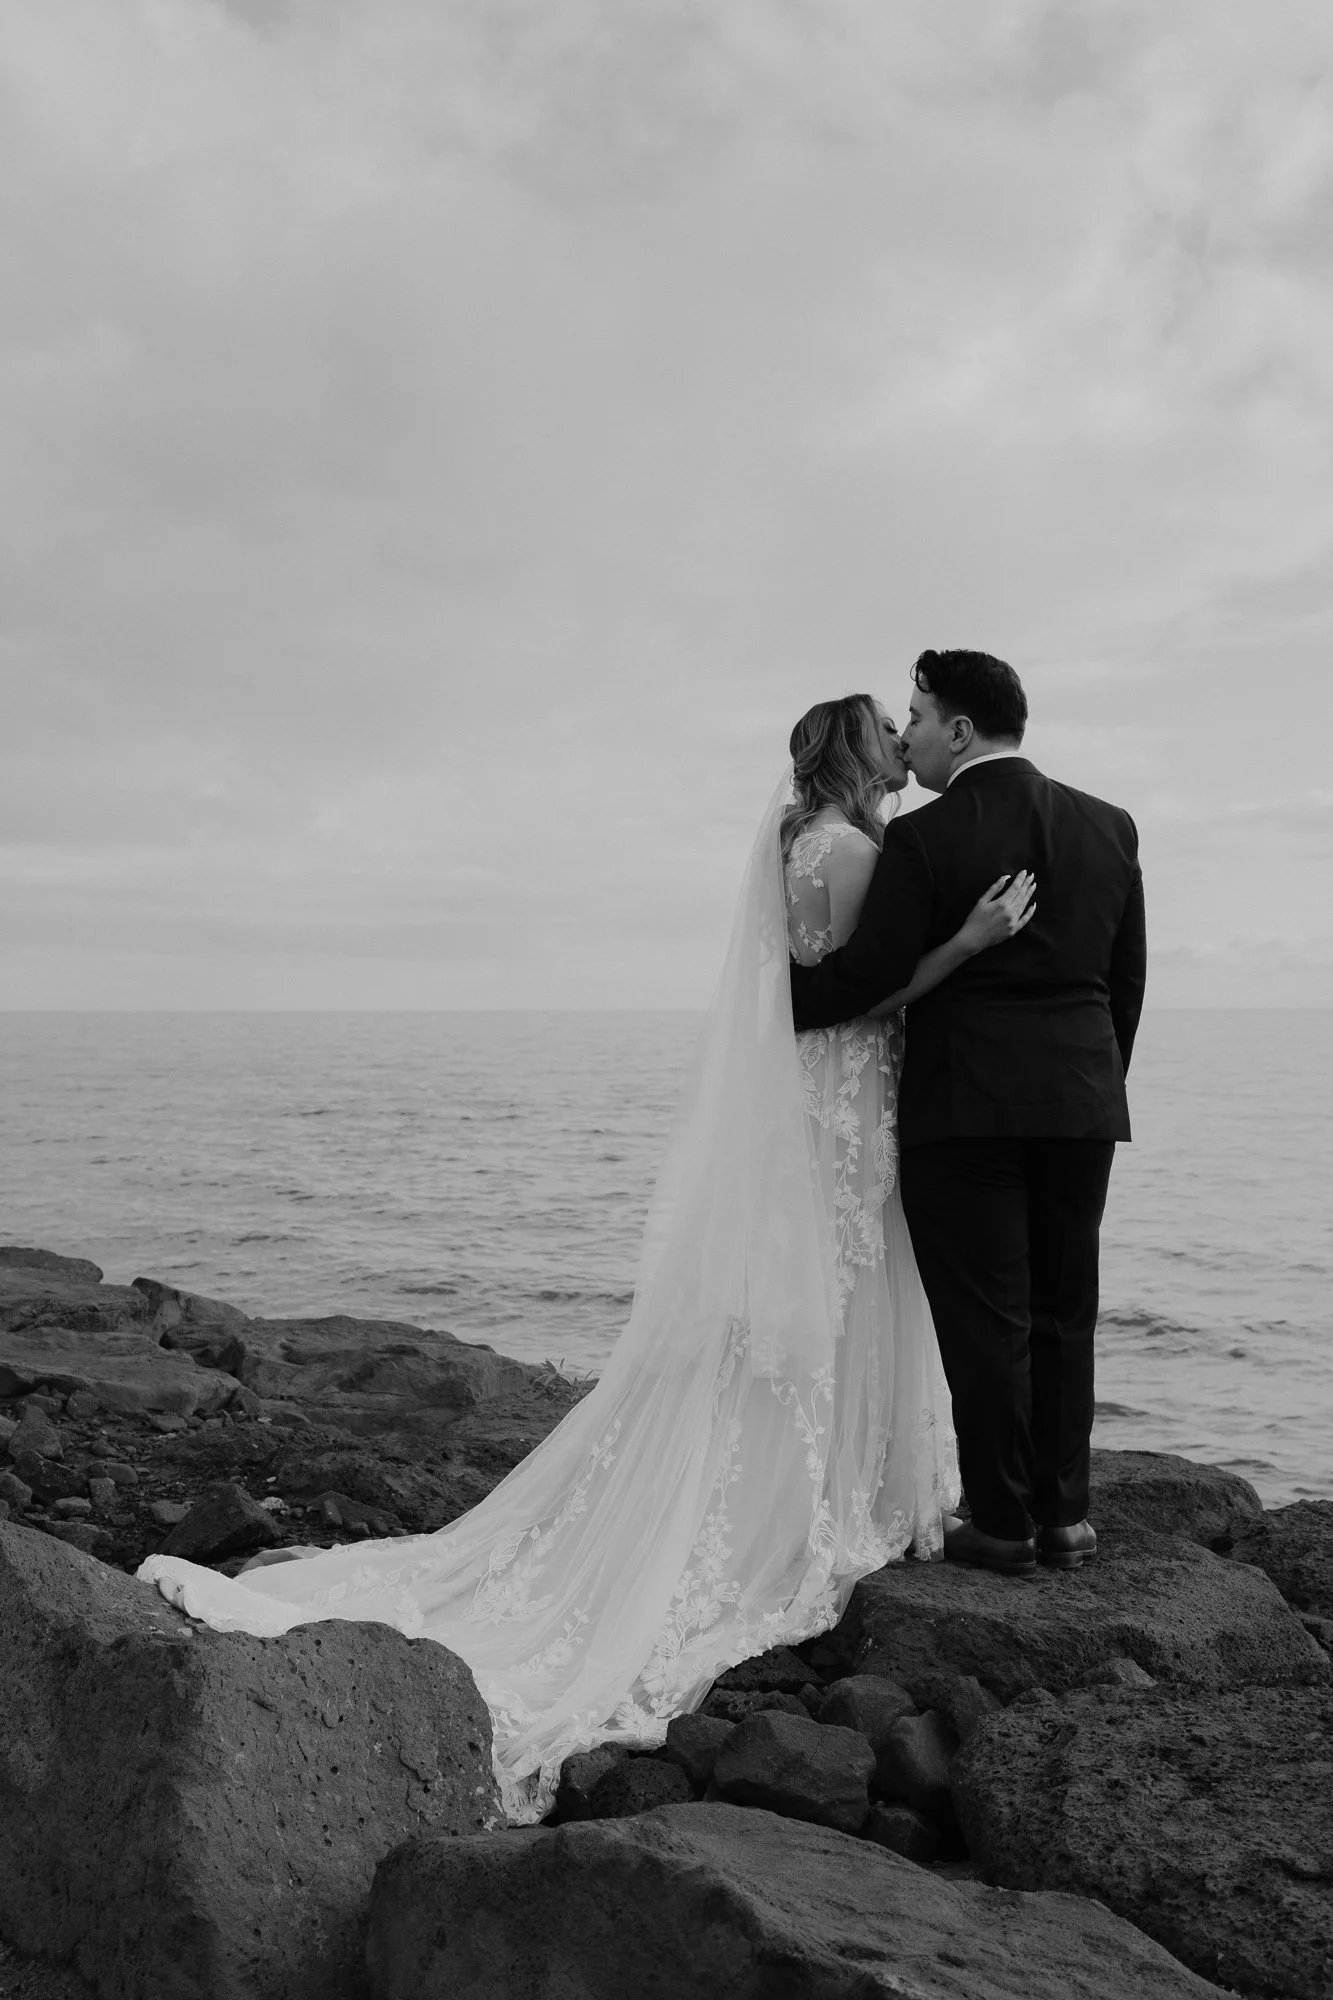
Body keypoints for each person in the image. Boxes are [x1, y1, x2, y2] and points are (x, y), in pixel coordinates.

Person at [140, 692, 1032, 1821]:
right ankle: (808, 1496)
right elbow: (860, 993)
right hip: (844, 1096)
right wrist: (967, 942)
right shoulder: (854, 851)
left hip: (816, 1101)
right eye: (890, 733)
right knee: (838, 1287)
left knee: (808, 1295)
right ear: (862, 752)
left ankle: (817, 1471)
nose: (904, 748)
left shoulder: (795, 839)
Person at [789, 652, 1147, 1578]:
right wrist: (1094, 1084)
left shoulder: (926, 837)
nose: (905, 734)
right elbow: (1124, 984)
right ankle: (1066, 1518)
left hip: (964, 1108)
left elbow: (865, 980)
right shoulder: (1110, 826)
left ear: (957, 729)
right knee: (1065, 1311)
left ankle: (1001, 1521)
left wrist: (775, 999)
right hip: (1081, 1100)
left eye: (914, 716)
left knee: (988, 1320)